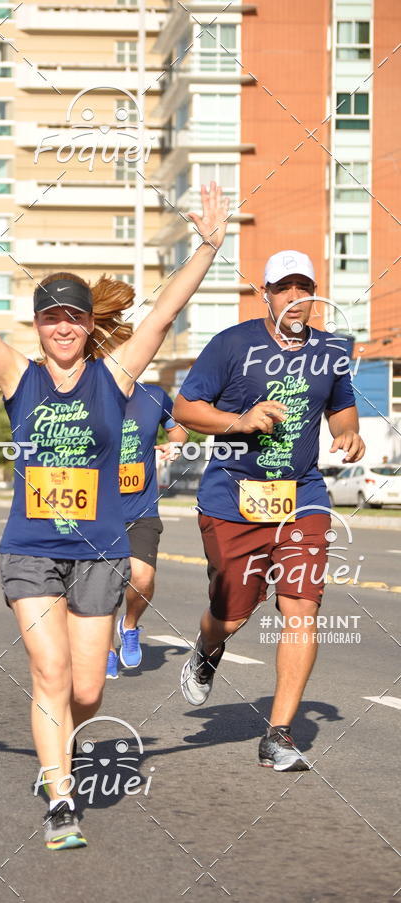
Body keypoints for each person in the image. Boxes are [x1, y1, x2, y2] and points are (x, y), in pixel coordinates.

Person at [0, 184, 229, 848]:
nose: (64, 327)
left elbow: (163, 313)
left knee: (86, 686)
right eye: (52, 318)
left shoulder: (116, 376)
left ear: (86, 324)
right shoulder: (20, 377)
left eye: (74, 316)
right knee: (48, 672)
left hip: (101, 552)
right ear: (39, 327)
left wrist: (211, 244)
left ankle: (59, 748)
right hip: (31, 549)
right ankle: (62, 797)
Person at [174, 250, 365, 771]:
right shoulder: (232, 344)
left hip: (301, 496)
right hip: (233, 497)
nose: (296, 299)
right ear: (267, 294)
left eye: (305, 288)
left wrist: (347, 430)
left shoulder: (333, 350)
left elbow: (341, 404)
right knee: (232, 614)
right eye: (285, 289)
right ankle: (207, 648)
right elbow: (186, 409)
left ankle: (277, 734)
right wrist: (240, 420)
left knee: (301, 607)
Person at [107, 384, 187, 677]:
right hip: (97, 512)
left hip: (140, 509)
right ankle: (106, 650)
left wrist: (176, 444)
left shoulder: (153, 396)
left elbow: (177, 429)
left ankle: (129, 626)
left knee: (143, 578)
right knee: (103, 588)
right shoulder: (86, 392)